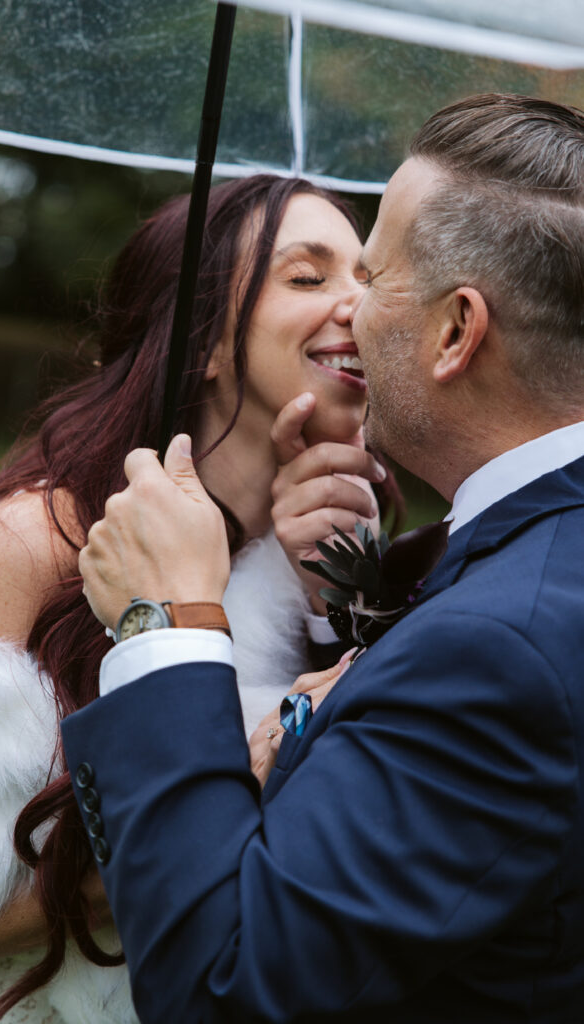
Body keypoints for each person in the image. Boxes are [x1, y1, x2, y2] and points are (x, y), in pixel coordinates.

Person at [62, 92, 584, 1023]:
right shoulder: (515, 566)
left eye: (372, 273)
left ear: (456, 332)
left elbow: (221, 986)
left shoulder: (500, 650)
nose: (349, 307)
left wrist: (164, 627)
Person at [0, 174, 400, 1023]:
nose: (358, 304)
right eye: (308, 278)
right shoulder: (46, 542)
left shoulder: (321, 554)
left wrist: (332, 601)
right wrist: (229, 793)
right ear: (202, 341)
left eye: (369, 276)